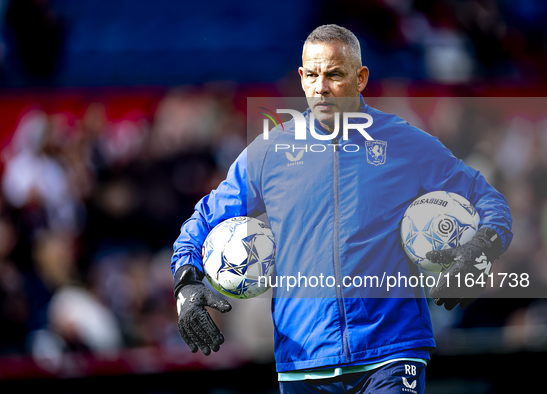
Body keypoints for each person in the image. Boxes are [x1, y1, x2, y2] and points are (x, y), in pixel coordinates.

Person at [171, 24, 513, 394]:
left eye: (334, 74)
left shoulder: (406, 144)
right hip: (304, 361)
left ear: (360, 77)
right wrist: (186, 284)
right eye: (313, 75)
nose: (321, 87)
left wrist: (479, 251)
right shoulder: (268, 152)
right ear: (301, 79)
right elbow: (205, 218)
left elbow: (489, 201)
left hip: (391, 353)